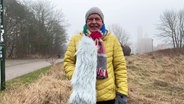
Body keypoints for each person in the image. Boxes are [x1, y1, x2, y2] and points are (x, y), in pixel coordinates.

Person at [64, 7, 128, 104]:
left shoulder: (112, 39)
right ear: (86, 22)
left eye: (97, 19)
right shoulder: (76, 39)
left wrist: (122, 93)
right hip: (82, 96)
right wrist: (77, 76)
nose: (94, 22)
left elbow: (120, 67)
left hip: (107, 98)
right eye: (90, 19)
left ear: (102, 22)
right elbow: (68, 61)